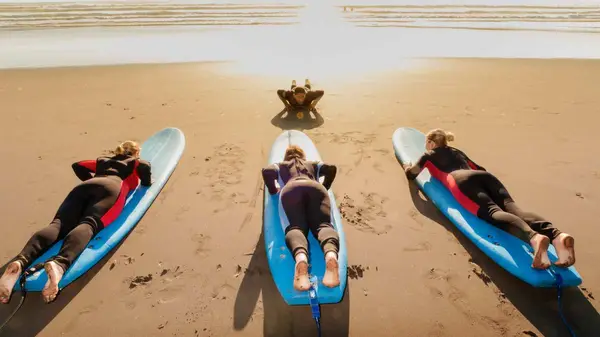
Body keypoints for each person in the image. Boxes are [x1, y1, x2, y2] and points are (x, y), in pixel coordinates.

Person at [0, 141, 152, 304]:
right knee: (89, 223)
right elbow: (144, 166)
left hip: (84, 187)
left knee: (58, 224)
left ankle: (21, 261)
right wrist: (146, 182)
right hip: (112, 188)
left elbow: (78, 165)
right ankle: (59, 264)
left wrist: (91, 179)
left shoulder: (102, 161)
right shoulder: (134, 163)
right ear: (136, 153)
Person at [404, 129, 575, 270]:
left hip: (460, 180)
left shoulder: (429, 154)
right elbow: (479, 168)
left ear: (432, 143)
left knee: (493, 212)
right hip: (485, 177)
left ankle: (534, 237)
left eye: (426, 143)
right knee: (515, 209)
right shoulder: (457, 151)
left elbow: (413, 174)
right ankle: (558, 236)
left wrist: (407, 166)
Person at [262, 145, 340, 291]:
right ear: (303, 156)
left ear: (286, 157)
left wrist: (273, 191)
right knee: (324, 225)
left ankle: (301, 259)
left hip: (291, 190)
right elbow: (331, 168)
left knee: (295, 227)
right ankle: (330, 255)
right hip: (316, 188)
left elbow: (267, 171)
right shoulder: (313, 164)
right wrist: (325, 187)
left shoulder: (280, 165)